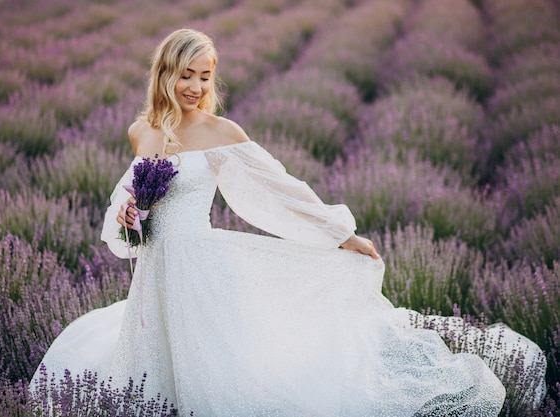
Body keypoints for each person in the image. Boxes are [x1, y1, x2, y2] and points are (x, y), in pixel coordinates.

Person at [31, 28, 547, 416]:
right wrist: (127, 215)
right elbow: (128, 205)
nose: (194, 85)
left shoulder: (219, 131)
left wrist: (338, 233)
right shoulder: (140, 131)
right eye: (185, 74)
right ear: (164, 73)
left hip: (198, 269)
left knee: (215, 375)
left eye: (204, 75)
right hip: (153, 276)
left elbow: (279, 189)